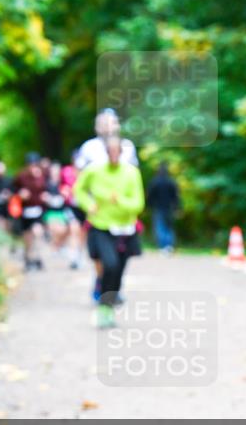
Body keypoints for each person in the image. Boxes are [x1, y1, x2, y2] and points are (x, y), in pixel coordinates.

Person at [73, 136, 144, 328]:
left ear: (121, 152)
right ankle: (103, 305)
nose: (113, 155)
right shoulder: (94, 170)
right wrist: (89, 204)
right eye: (109, 151)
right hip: (101, 226)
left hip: (125, 229)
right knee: (109, 265)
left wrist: (118, 200)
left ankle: (109, 307)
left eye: (116, 151)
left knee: (119, 271)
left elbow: (138, 203)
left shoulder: (131, 173)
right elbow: (78, 189)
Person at [76, 109, 139, 302]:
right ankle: (101, 282)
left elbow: (133, 178)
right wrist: (88, 203)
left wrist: (124, 201)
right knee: (101, 256)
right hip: (98, 213)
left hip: (121, 214)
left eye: (112, 123)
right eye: (104, 123)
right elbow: (80, 180)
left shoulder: (127, 147)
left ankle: (110, 288)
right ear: (97, 126)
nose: (108, 127)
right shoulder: (89, 148)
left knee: (118, 259)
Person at [12, 153, 49, 271]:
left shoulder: (42, 175)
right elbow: (13, 189)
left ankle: (38, 257)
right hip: (25, 211)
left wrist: (45, 196)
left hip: (38, 210)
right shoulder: (21, 176)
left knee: (37, 232)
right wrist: (20, 194)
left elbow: (48, 188)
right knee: (27, 237)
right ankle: (28, 258)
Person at [146, 163, 180, 252]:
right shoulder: (171, 181)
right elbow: (176, 196)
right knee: (168, 227)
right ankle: (169, 246)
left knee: (160, 227)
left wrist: (148, 206)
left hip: (158, 208)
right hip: (169, 208)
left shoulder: (154, 182)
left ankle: (162, 246)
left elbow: (149, 196)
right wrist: (177, 207)